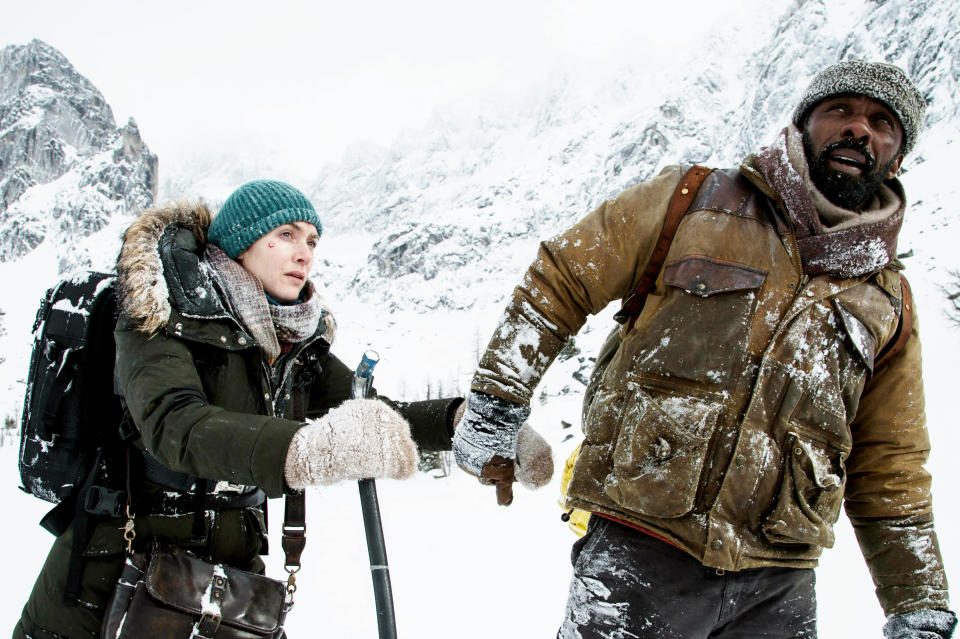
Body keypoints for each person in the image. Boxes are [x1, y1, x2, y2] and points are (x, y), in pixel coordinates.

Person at [453, 61, 956, 638]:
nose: (858, 129)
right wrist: (496, 401)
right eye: (839, 111)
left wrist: (918, 603)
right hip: (643, 548)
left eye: (882, 123)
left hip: (779, 585)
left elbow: (890, 467)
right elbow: (562, 279)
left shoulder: (889, 302)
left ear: (896, 158)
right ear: (803, 124)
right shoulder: (690, 200)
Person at [14, 179, 464, 638]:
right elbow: (176, 424)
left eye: (312, 240)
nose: (304, 253)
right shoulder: (159, 309)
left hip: (229, 587)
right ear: (242, 241)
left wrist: (462, 424)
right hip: (111, 580)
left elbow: (376, 415)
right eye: (286, 234)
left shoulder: (295, 341)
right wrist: (308, 449)